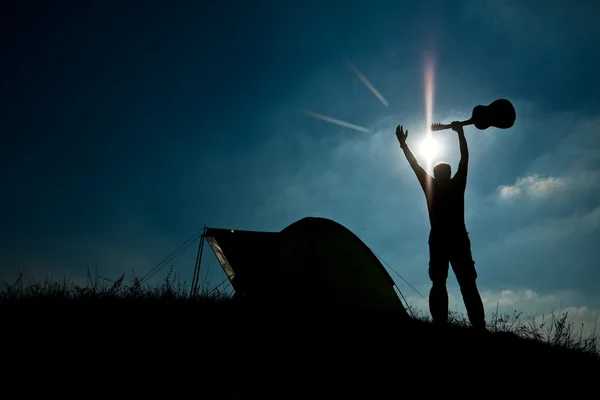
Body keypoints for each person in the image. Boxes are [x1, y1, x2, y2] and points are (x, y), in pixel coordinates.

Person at [395, 123, 486, 330]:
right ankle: (470, 325)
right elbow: (464, 159)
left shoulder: (435, 186)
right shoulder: (454, 184)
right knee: (459, 283)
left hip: (444, 239)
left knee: (449, 283)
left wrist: (403, 145)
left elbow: (416, 165)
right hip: (453, 238)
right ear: (447, 173)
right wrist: (460, 133)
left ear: (437, 175)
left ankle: (446, 324)